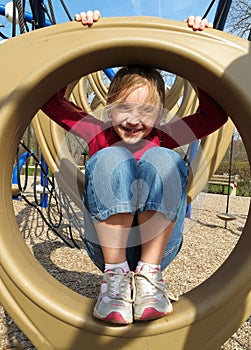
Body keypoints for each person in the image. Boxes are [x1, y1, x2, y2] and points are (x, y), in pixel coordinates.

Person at [42, 11, 227, 325]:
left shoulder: (165, 138)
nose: (133, 119)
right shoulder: (97, 132)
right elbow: (50, 99)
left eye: (146, 110)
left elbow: (214, 115)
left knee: (165, 160)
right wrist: (82, 40)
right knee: (110, 158)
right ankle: (115, 281)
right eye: (123, 107)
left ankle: (147, 279)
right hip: (106, 249)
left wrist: (194, 57)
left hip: (157, 249)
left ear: (160, 113)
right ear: (110, 106)